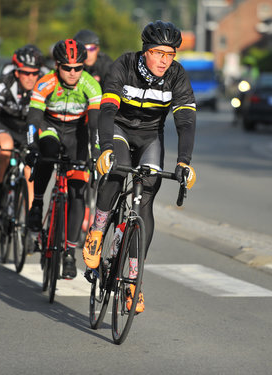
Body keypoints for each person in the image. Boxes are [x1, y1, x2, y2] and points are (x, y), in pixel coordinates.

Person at [82, 21, 197, 312]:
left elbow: (185, 121)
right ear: (145, 51)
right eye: (158, 53)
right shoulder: (124, 65)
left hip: (149, 137)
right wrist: (105, 147)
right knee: (117, 169)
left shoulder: (176, 76)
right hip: (119, 128)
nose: (164, 60)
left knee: (146, 198)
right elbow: (106, 109)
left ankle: (134, 281)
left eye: (170, 54)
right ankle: (97, 231)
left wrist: (184, 161)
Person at [25, 39, 102, 279]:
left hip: (77, 134)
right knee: (46, 153)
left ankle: (69, 253)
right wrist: (30, 145)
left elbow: (95, 128)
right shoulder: (46, 82)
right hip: (51, 127)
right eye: (67, 68)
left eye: (78, 67)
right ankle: (37, 204)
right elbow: (34, 118)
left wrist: (95, 155)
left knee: (78, 188)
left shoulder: (91, 86)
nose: (72, 72)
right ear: (57, 66)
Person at [0, 45, 45, 215]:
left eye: (34, 73)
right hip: (6, 125)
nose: (30, 77)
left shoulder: (43, 84)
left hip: (29, 128)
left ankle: (30, 215)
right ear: (17, 72)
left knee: (30, 169)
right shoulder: (4, 84)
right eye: (26, 73)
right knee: (5, 149)